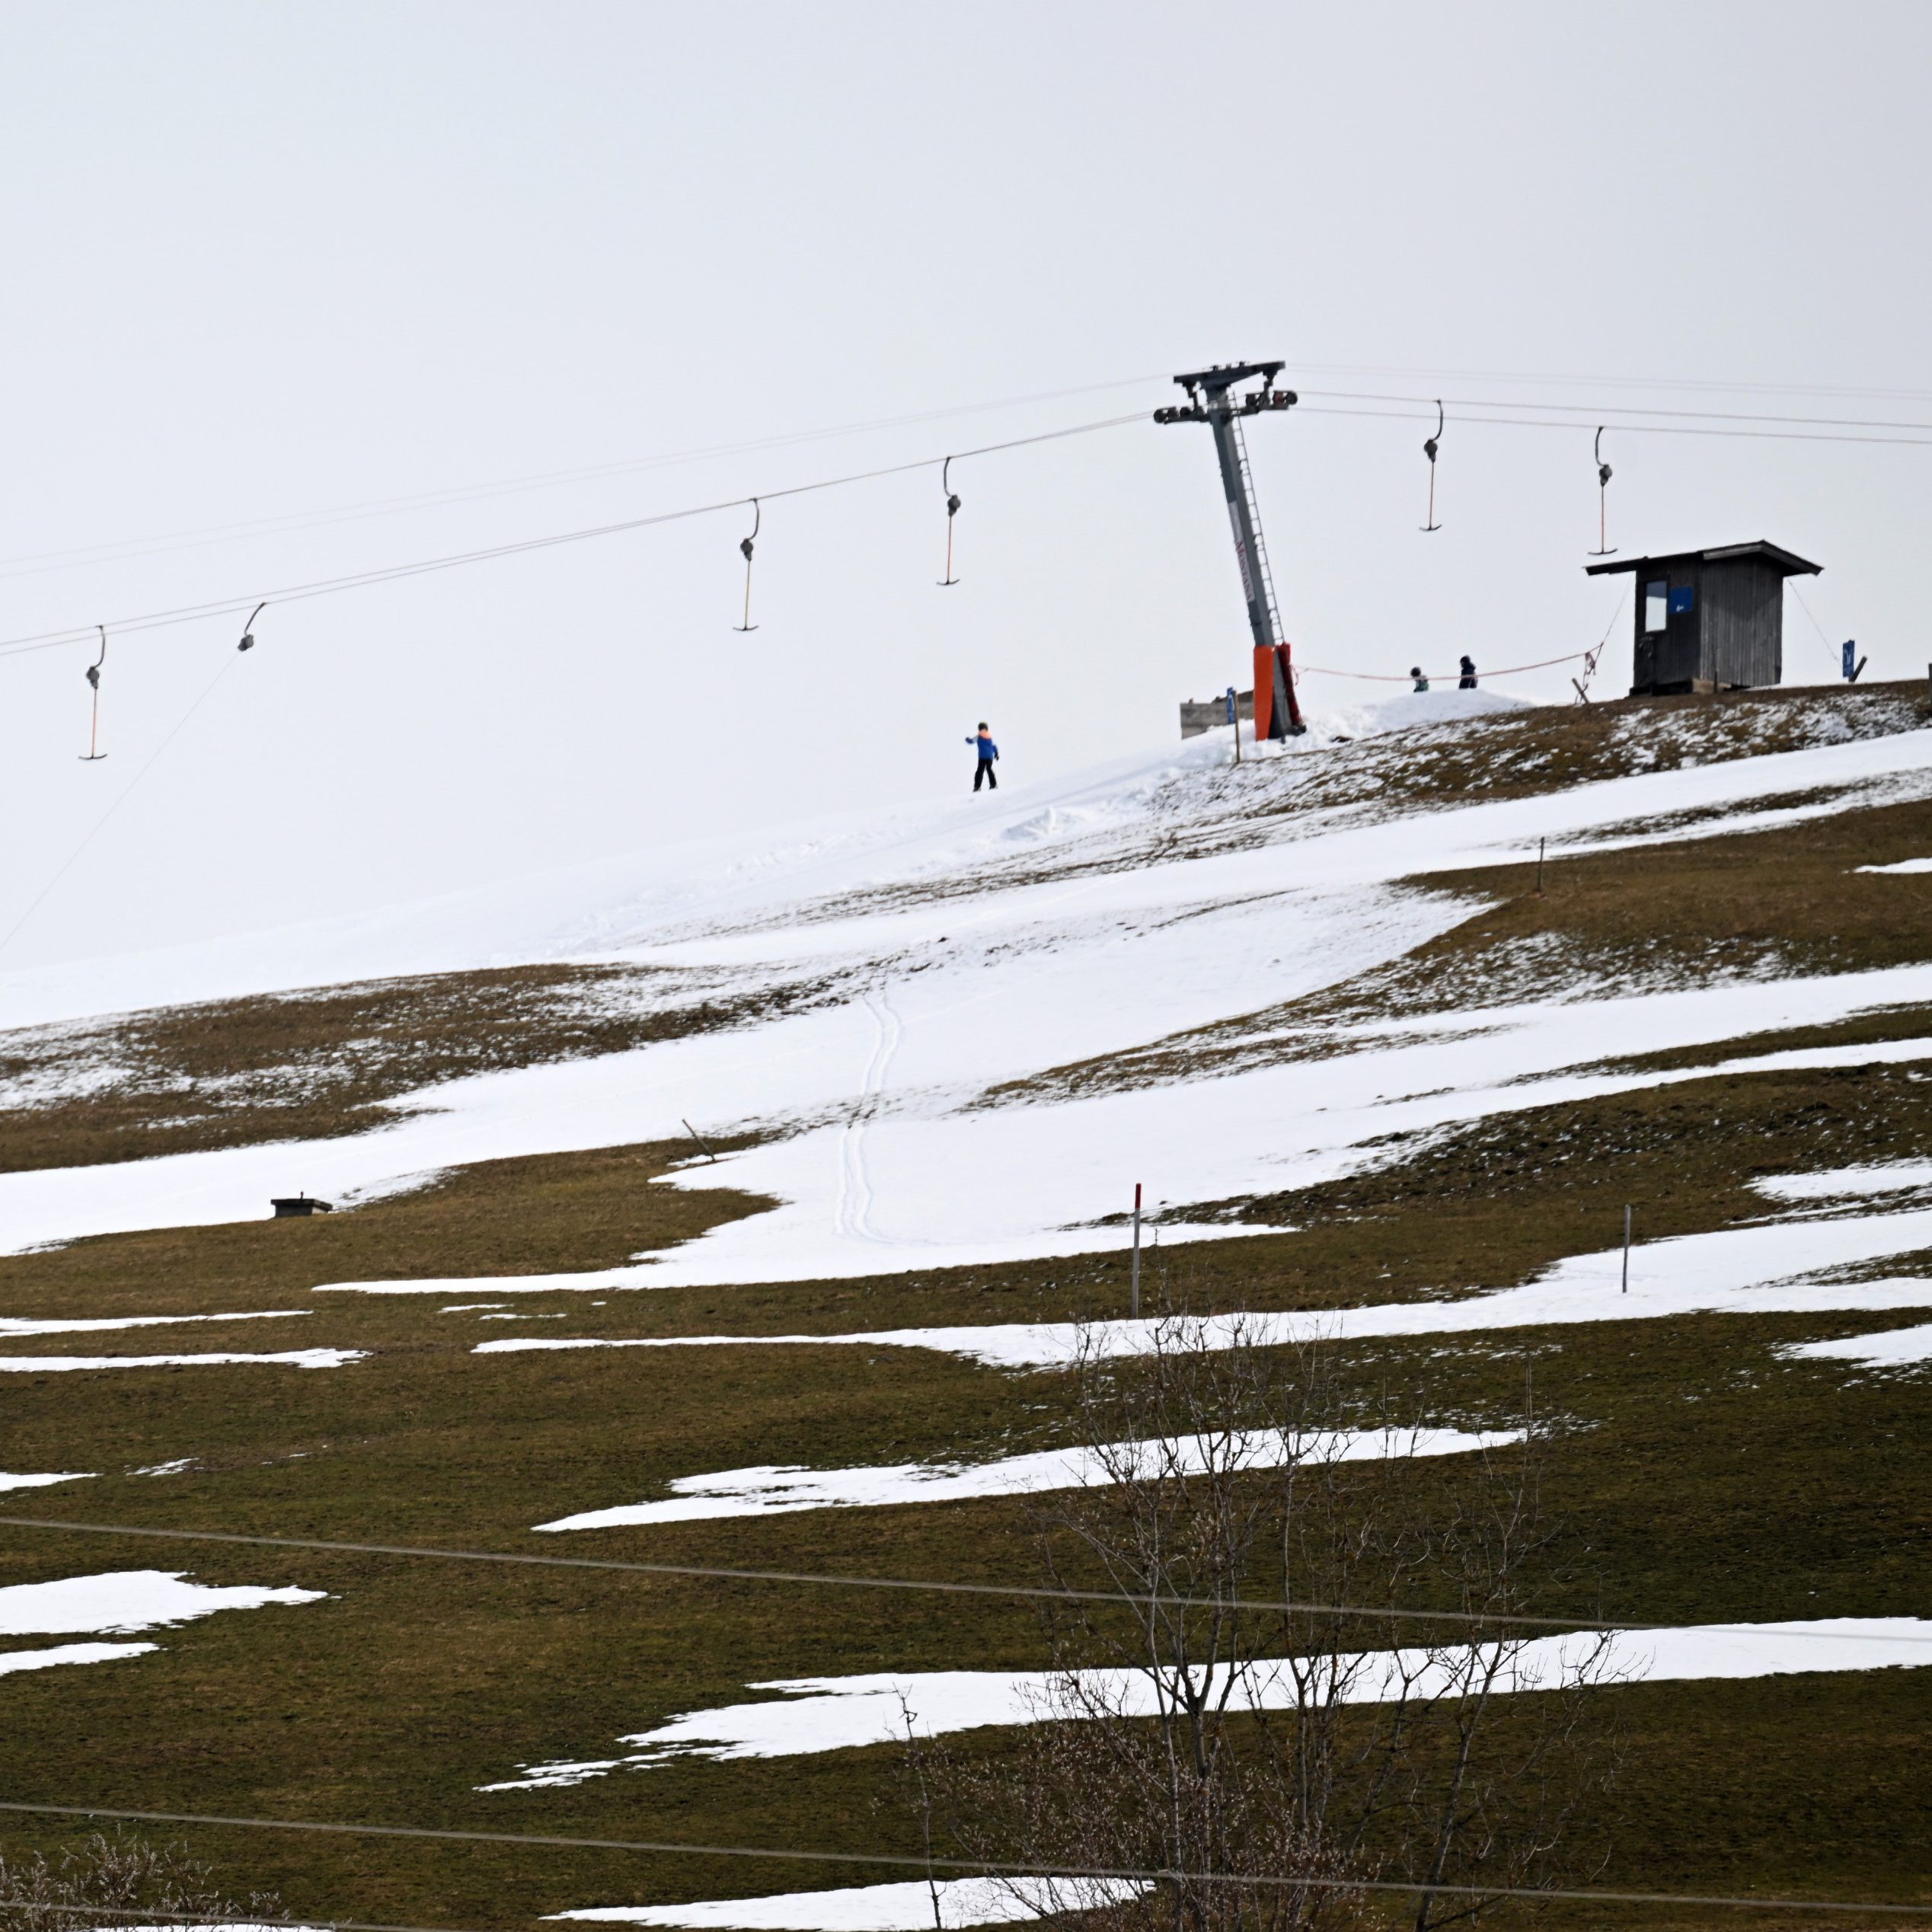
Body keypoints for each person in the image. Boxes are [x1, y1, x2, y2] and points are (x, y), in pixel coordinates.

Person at [967, 722, 999, 791]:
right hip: (990, 757)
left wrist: (967, 739)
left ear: (979, 728)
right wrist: (996, 754)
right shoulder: (990, 737)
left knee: (980, 771)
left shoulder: (979, 736)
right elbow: (994, 746)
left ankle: (977, 787)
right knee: (989, 769)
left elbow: (971, 741)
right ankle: (994, 785)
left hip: (982, 757)